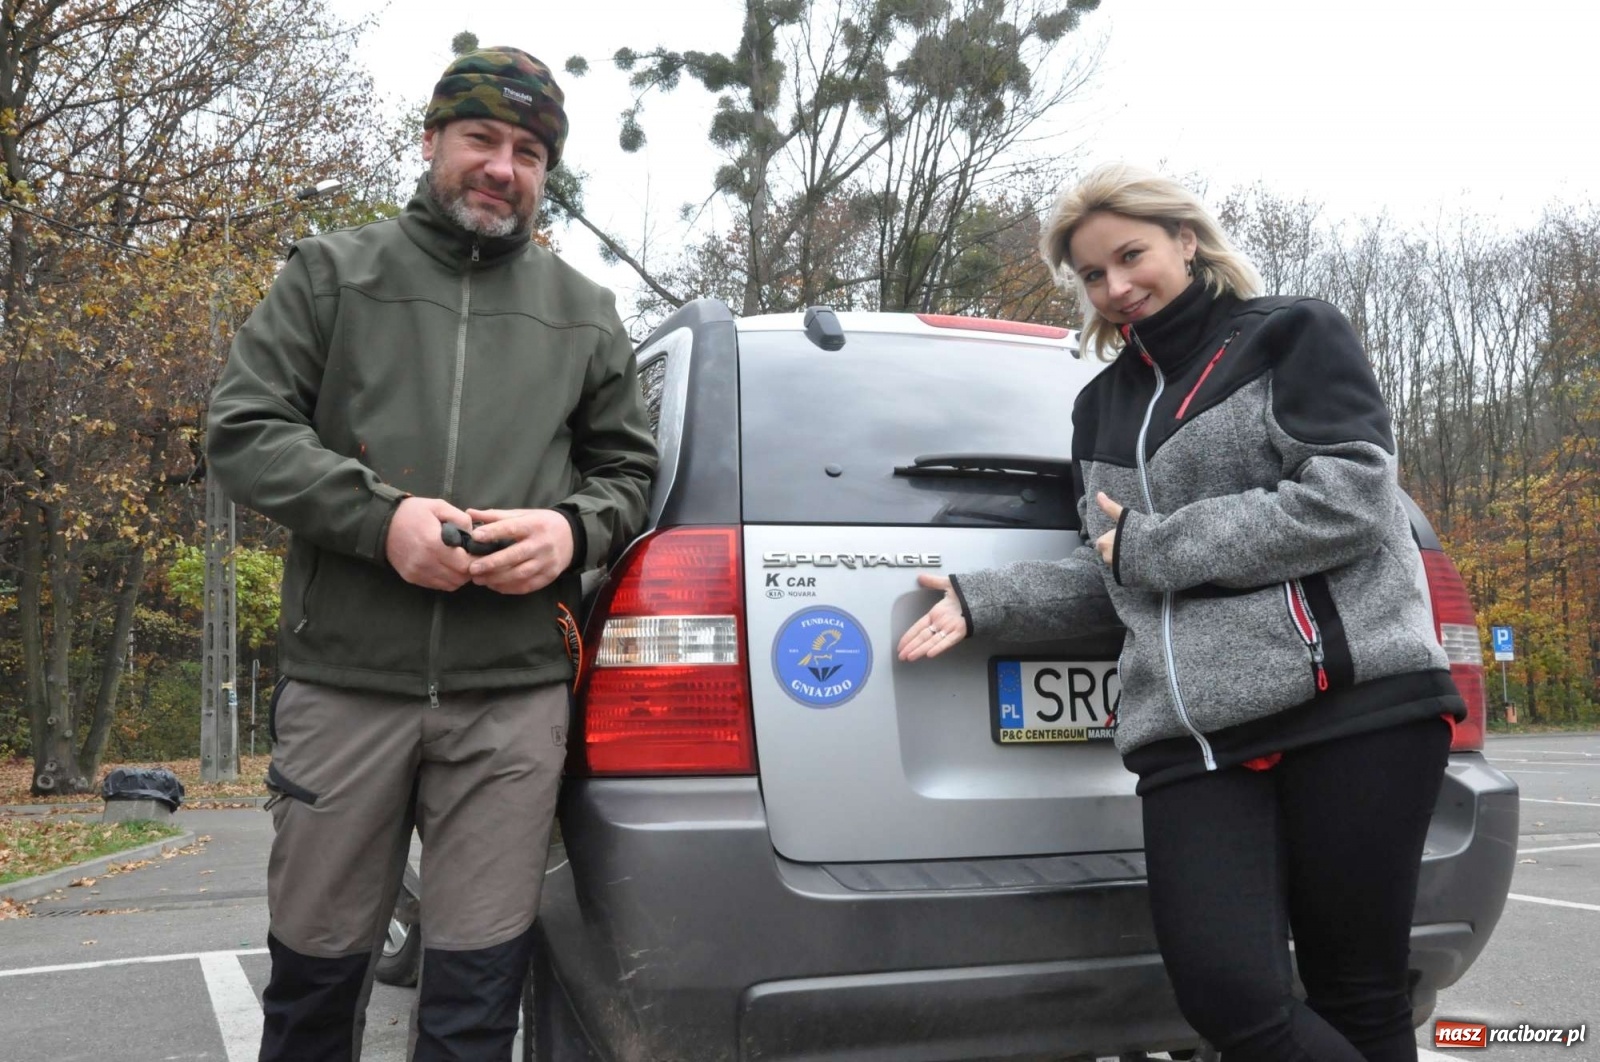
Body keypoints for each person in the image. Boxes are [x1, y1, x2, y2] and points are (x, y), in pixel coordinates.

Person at [897, 163, 1464, 1062]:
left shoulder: (1290, 335)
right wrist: (987, 599)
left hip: (1351, 709)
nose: (1116, 287)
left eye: (1131, 256)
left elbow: (1352, 501)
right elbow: (1118, 572)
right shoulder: (1099, 409)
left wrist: (1155, 547)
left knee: (1357, 992)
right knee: (1230, 998)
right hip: (1192, 738)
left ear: (1185, 242)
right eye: (1091, 274)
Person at [206, 47, 656, 1061]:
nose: (504, 166)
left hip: (513, 702)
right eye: (482, 138)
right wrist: (383, 519)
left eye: (530, 150)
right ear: (432, 142)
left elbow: (629, 475)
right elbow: (242, 431)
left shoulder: (586, 311)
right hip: (345, 685)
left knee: (472, 1005)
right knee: (313, 995)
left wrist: (570, 532)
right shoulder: (330, 274)